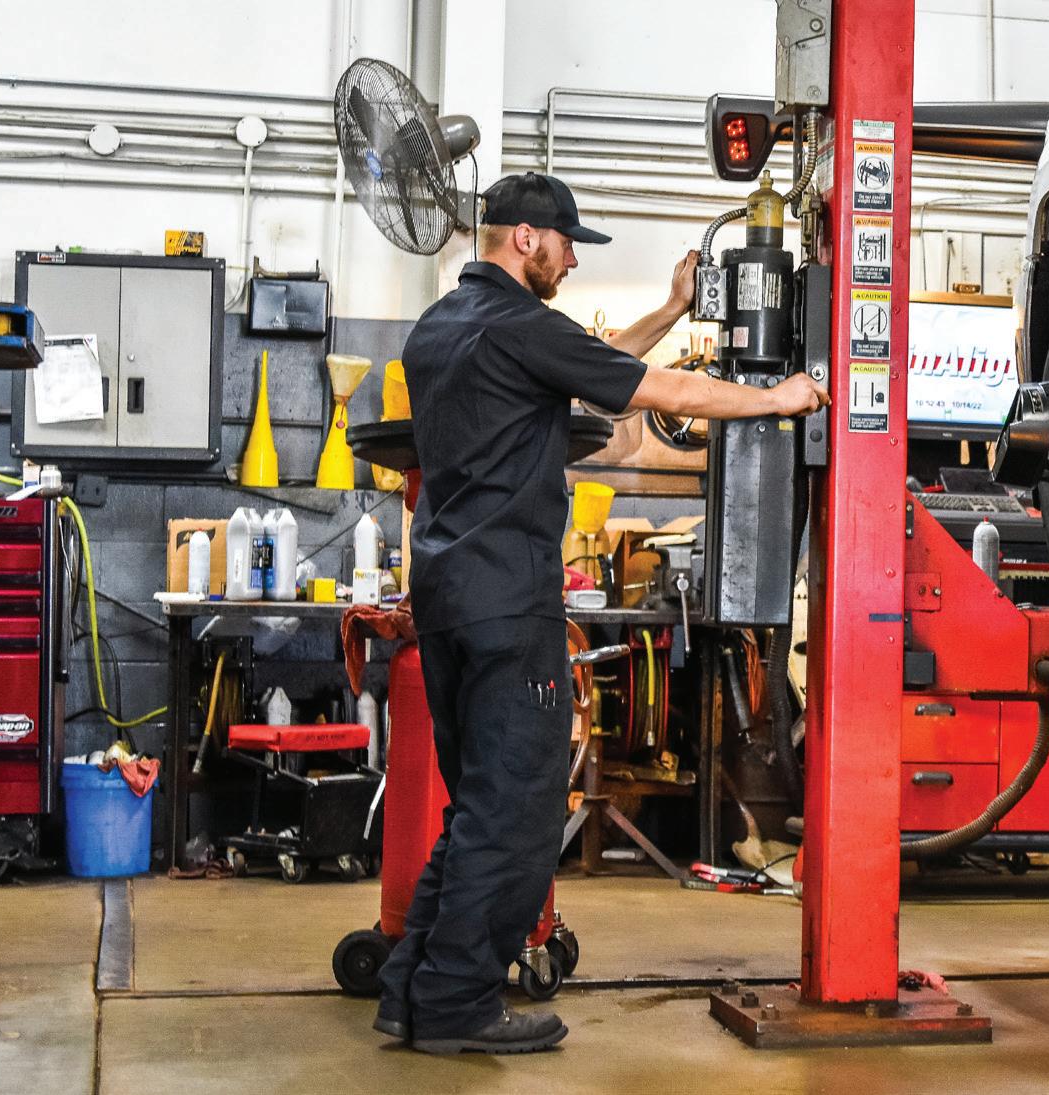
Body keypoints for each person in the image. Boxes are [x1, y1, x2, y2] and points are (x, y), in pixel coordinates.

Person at [374, 172, 826, 1055]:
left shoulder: (442, 327)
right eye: (566, 243)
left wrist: (671, 308)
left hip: (447, 599)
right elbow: (667, 393)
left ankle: (410, 990)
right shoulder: (524, 327)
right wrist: (777, 399)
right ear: (526, 239)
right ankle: (458, 1002)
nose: (573, 260)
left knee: (478, 808)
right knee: (517, 815)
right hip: (511, 605)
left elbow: (597, 364)